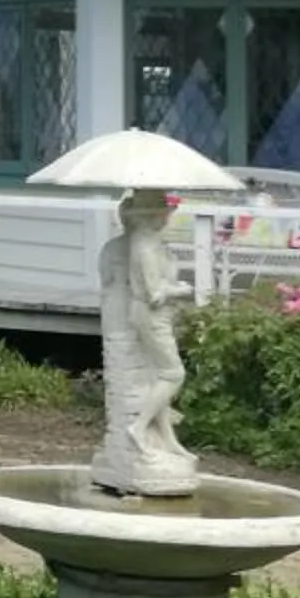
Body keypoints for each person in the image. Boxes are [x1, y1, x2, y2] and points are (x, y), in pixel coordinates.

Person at [95, 189, 196, 495]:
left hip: (152, 316)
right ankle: (137, 428)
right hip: (151, 316)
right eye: (165, 212)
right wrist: (183, 290)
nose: (168, 217)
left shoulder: (150, 244)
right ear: (154, 216)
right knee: (173, 374)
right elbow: (154, 294)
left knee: (156, 377)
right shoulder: (144, 247)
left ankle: (166, 439)